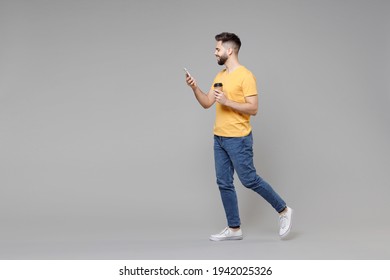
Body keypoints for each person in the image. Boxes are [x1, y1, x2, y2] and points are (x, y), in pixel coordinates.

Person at [185, 32, 293, 241]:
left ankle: (284, 210)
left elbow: (254, 109)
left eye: (217, 49)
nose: (214, 52)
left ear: (229, 50)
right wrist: (194, 87)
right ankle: (234, 228)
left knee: (249, 180)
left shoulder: (246, 76)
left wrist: (227, 102)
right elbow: (207, 103)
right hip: (219, 138)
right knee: (224, 182)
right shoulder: (220, 76)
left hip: (238, 138)